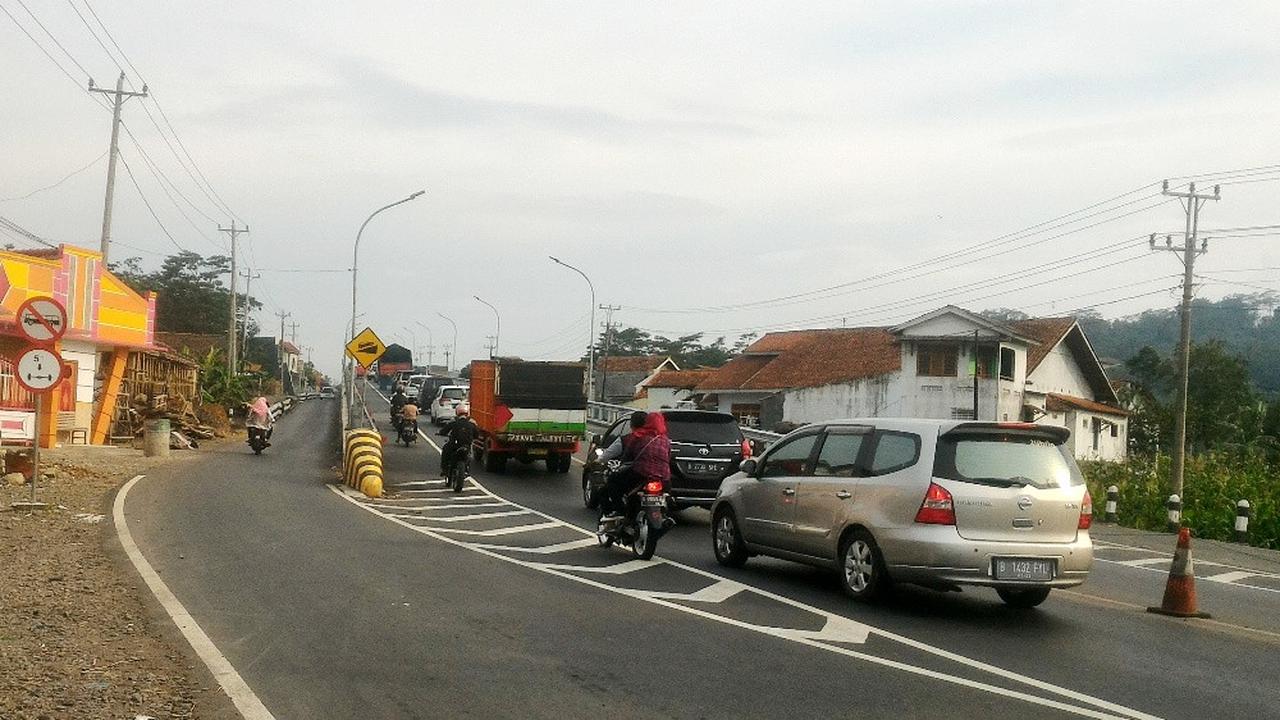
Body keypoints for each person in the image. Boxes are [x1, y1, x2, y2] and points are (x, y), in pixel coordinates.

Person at [603, 411, 670, 519]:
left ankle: (620, 511)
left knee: (612, 481)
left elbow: (627, 455)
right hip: (664, 478)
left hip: (641, 473)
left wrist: (621, 465)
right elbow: (668, 457)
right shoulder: (665, 440)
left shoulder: (638, 436)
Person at [437, 403, 478, 478]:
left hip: (454, 445)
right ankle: (466, 470)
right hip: (466, 446)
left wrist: (440, 433)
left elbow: (444, 431)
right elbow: (476, 435)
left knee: (445, 451)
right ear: (467, 413)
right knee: (468, 456)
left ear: (457, 412)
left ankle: (444, 469)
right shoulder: (472, 423)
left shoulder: (454, 422)